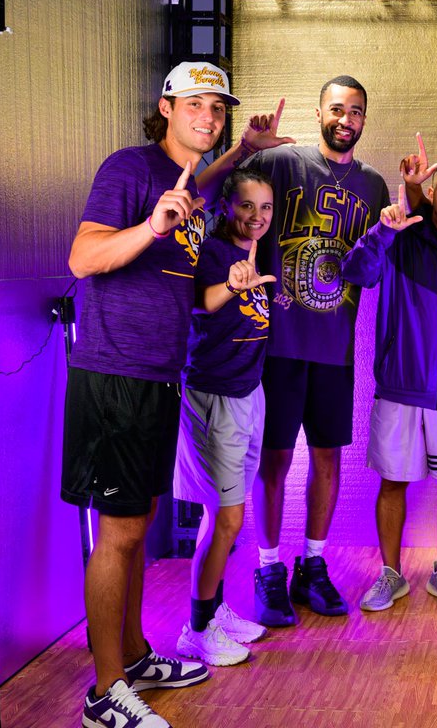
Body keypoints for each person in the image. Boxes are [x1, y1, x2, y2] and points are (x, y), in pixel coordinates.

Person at [65, 61, 238, 728]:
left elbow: (192, 187)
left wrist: (244, 152)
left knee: (138, 528)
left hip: (160, 375)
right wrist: (151, 228)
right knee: (117, 535)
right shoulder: (128, 170)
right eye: (196, 103)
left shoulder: (188, 185)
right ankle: (105, 692)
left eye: (217, 108)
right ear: (164, 107)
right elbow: (83, 258)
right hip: (115, 374)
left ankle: (134, 657)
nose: (209, 116)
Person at [197, 77, 391, 626]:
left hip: (334, 342)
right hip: (278, 341)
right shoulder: (284, 163)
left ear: (364, 119)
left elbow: (367, 273)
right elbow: (222, 204)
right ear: (319, 112)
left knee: (327, 458)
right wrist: (246, 149)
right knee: (275, 461)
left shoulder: (374, 186)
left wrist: (389, 233)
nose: (345, 119)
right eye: (337, 108)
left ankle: (313, 564)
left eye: (356, 110)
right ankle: (268, 567)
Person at [341, 162, 437, 612]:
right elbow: (357, 273)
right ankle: (391, 574)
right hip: (401, 385)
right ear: (432, 192)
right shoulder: (401, 237)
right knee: (393, 482)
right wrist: (381, 234)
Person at [173, 168, 277, 667]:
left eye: (265, 208)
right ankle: (196, 630)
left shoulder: (252, 252)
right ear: (226, 208)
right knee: (229, 515)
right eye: (246, 206)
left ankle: (212, 610)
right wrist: (231, 288)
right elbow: (201, 303)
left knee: (222, 515)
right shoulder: (213, 253)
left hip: (247, 393)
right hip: (215, 397)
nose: (256, 217)